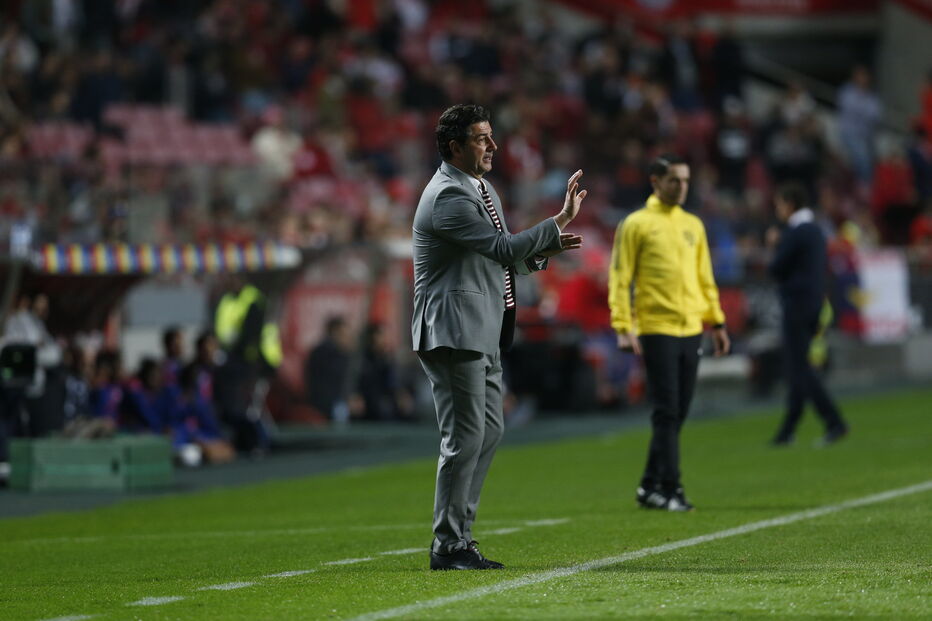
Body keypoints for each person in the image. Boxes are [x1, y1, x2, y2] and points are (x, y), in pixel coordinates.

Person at [412, 103, 586, 570]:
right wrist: (558, 223)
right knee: (464, 436)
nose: (493, 146)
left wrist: (547, 244)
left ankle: (459, 538)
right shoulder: (448, 195)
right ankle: (448, 545)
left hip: (483, 325)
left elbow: (502, 260)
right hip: (453, 327)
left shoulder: (482, 189)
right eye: (481, 138)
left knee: (488, 430)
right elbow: (503, 248)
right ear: (454, 147)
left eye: (491, 136)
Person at [608, 154, 730, 512]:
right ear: (655, 182)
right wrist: (622, 326)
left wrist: (717, 322)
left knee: (678, 411)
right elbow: (620, 277)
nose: (682, 187)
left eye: (686, 180)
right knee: (666, 410)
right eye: (675, 180)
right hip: (656, 327)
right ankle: (672, 489)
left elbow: (705, 278)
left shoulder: (694, 224)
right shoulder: (635, 224)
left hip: (691, 326)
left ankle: (649, 486)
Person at [767, 183, 848, 447]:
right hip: (814, 304)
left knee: (799, 368)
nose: (777, 210)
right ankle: (789, 428)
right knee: (798, 368)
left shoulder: (794, 232)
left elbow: (777, 268)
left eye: (779, 204)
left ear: (789, 204)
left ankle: (832, 420)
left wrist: (774, 245)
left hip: (797, 304)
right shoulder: (816, 230)